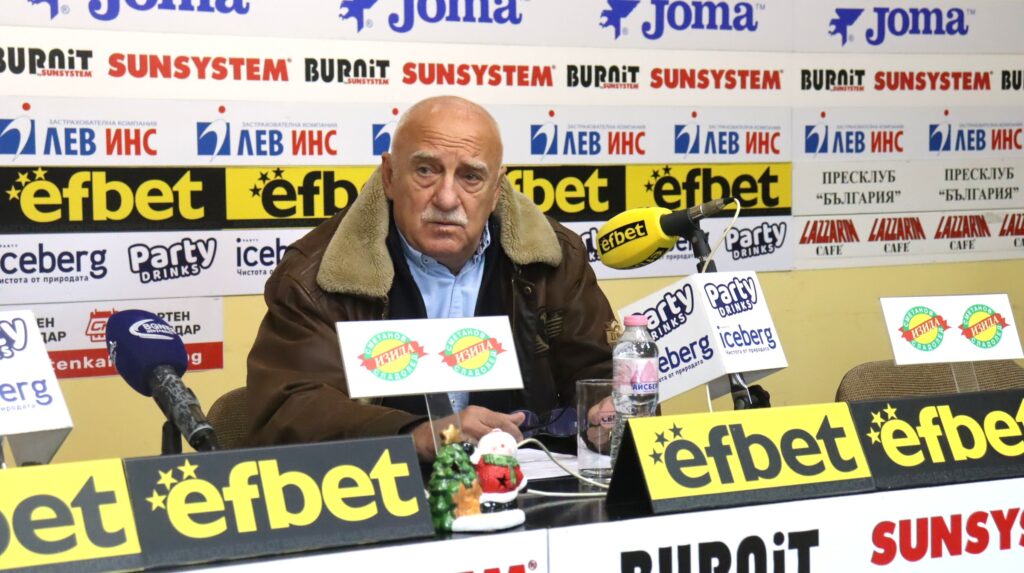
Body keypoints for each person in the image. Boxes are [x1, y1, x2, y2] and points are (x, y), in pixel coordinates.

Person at [246, 95, 615, 461]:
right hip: (381, 484)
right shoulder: (318, 273)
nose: (447, 198)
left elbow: (600, 372)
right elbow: (288, 410)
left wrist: (605, 411)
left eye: (470, 177)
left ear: (496, 190)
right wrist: (416, 436)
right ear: (389, 176)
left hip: (526, 480)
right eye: (426, 171)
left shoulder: (554, 258)